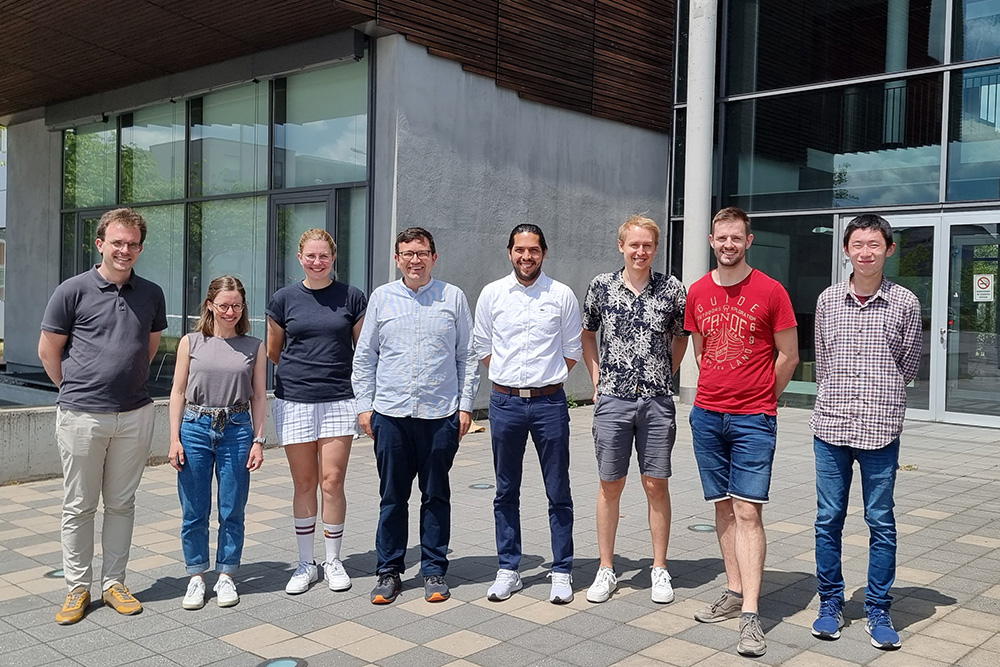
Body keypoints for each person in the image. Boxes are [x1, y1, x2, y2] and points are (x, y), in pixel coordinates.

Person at [38, 208, 167, 625]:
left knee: (121, 504)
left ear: (140, 248)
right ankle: (78, 588)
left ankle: (114, 583)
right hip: (81, 415)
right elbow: (48, 351)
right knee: (79, 505)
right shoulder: (72, 290)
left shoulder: (151, 293)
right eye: (117, 242)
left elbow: (147, 349)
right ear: (100, 244)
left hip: (134, 413)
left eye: (132, 244)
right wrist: (74, 389)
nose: (125, 249)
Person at [684, 206, 799, 657]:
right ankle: (733, 592)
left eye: (736, 237)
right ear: (712, 241)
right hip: (707, 415)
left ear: (748, 241)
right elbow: (701, 350)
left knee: (748, 512)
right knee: (723, 508)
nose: (728, 244)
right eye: (721, 238)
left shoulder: (771, 291)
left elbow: (788, 354)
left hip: (754, 418)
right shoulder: (697, 292)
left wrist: (761, 397)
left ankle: (752, 613)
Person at [809, 214, 921, 650]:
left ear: (888, 250)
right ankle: (830, 603)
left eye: (875, 244)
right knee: (827, 520)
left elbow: (907, 365)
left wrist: (882, 396)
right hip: (832, 425)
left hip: (880, 428)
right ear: (846, 250)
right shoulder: (828, 300)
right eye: (858, 244)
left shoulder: (906, 303)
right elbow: (823, 357)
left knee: (881, 522)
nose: (866, 252)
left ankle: (877, 607)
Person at [352, 227, 479, 605]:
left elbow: (467, 356)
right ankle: (388, 571)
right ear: (397, 259)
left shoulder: (452, 297)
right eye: (407, 253)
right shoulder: (382, 298)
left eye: (422, 252)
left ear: (433, 257)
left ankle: (434, 569)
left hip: (440, 415)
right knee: (392, 496)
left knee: (436, 494)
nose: (414, 260)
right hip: (390, 414)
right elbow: (365, 357)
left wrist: (466, 406)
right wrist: (364, 406)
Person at [581, 215, 688, 604]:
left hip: (656, 400)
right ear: (621, 246)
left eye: (648, 246)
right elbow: (587, 334)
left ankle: (659, 568)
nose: (640, 252)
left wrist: (664, 375)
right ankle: (606, 568)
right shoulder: (602, 287)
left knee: (655, 483)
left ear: (655, 248)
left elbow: (681, 339)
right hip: (613, 398)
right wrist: (596, 381)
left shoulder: (672, 290)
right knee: (611, 484)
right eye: (634, 245)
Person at [474, 224, 583, 604]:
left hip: (549, 404)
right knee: (506, 490)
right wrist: (508, 382)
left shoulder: (561, 295)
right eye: (520, 249)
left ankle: (562, 570)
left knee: (558, 491)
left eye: (533, 250)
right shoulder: (492, 294)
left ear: (544, 253)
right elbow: (482, 346)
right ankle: (509, 568)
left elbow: (572, 350)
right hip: (504, 403)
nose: (526, 256)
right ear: (509, 252)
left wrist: (542, 383)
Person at [266, 229, 368, 595]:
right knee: (305, 484)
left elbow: (363, 349)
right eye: (310, 256)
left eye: (324, 256)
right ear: (300, 258)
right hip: (294, 398)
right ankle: (305, 563)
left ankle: (333, 560)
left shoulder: (352, 297)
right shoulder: (284, 299)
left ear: (333, 258)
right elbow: (275, 350)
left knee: (332, 482)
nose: (317, 262)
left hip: (339, 398)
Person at [167, 276, 267, 609]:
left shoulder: (254, 346)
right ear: (210, 305)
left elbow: (259, 397)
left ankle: (226, 575)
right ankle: (196, 576)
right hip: (195, 426)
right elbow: (178, 392)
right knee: (194, 510)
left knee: (232, 508)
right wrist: (174, 438)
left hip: (237, 428)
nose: (230, 312)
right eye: (223, 305)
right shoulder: (191, 342)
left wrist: (259, 439)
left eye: (236, 306)